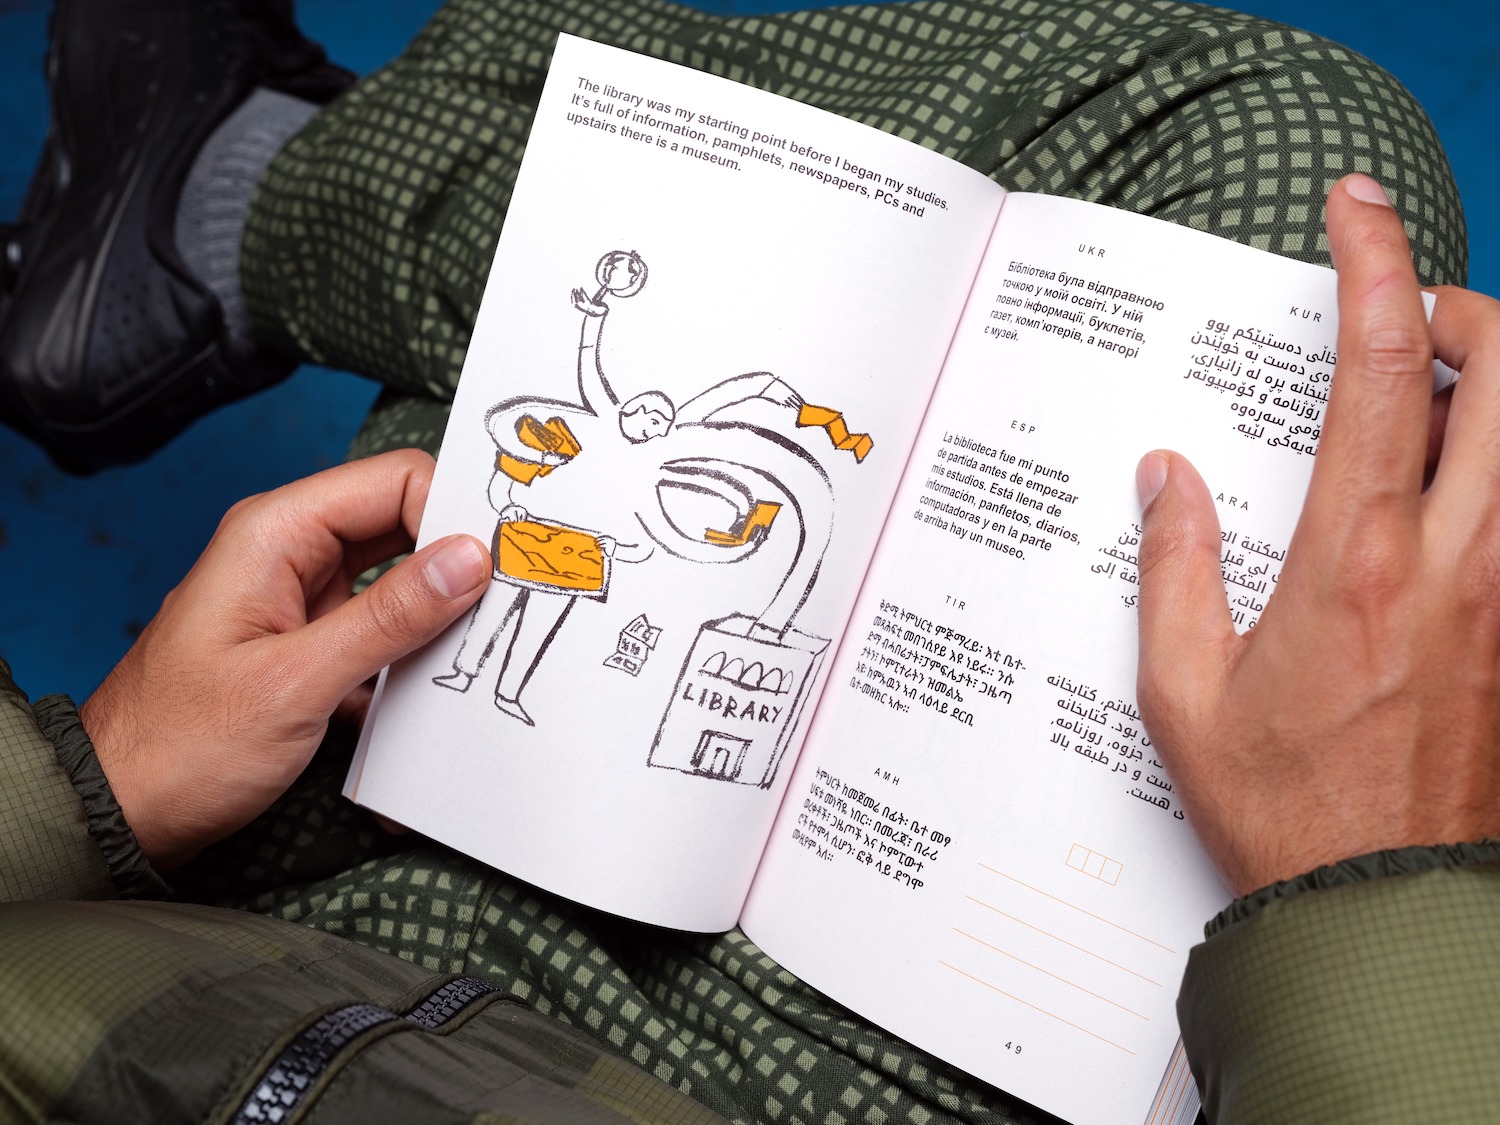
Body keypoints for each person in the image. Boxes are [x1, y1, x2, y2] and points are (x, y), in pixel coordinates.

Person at [2, 1, 1496, 1123]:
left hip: (267, 980)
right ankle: (241, 203)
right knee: (1281, 141)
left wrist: (89, 787)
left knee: (456, 508)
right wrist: (1378, 896)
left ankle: (238, 198)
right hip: (493, 1012)